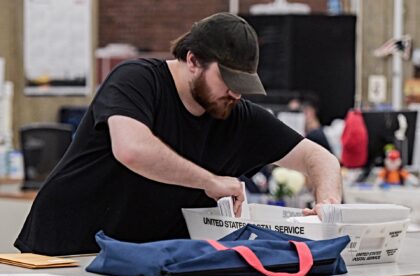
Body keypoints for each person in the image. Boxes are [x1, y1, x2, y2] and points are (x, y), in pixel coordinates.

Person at [15, 12, 342, 256]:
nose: (236, 94)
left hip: (138, 259)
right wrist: (209, 181)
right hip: (65, 251)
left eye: (244, 86)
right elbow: (131, 149)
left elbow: (318, 156)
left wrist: (326, 203)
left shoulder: (235, 115)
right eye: (227, 81)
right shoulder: (137, 81)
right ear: (193, 60)